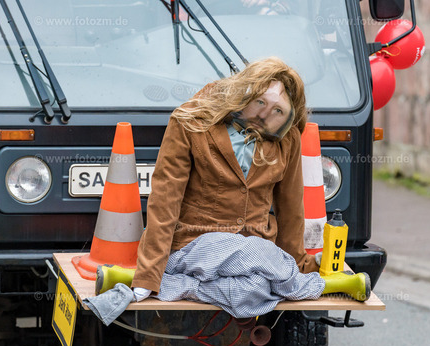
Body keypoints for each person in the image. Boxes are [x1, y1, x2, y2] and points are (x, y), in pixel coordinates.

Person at [96, 57, 369, 318]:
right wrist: (149, 272)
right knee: (262, 267)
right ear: (244, 92)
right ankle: (319, 285)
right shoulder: (191, 121)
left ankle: (156, 283)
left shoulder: (287, 140)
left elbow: (291, 209)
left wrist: (298, 263)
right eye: (260, 102)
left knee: (255, 291)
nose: (264, 114)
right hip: (194, 246)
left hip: (254, 259)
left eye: (278, 111)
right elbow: (165, 200)